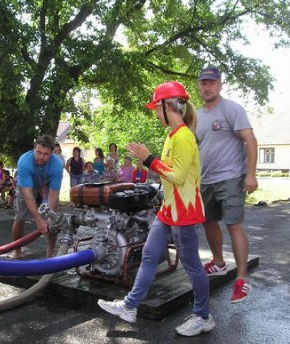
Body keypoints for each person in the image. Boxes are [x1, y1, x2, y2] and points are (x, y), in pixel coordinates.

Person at [98, 81, 215, 337]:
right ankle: (129, 306)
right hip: (168, 210)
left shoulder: (184, 136)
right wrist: (151, 162)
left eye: (155, 107)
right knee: (150, 256)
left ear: (166, 105)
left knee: (192, 265)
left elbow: (179, 176)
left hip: (183, 213)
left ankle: (203, 316)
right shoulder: (172, 136)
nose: (154, 112)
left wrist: (149, 159)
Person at [196, 66, 258, 303]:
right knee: (208, 222)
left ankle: (242, 280)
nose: (207, 86)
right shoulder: (197, 116)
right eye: (203, 82)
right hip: (206, 180)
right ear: (199, 86)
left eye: (212, 82)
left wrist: (250, 175)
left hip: (231, 177)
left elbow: (250, 141)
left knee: (233, 225)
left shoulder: (232, 109)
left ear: (220, 84)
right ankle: (219, 263)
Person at [12, 134, 64, 258]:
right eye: (38, 152)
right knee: (20, 217)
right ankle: (17, 250)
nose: (41, 157)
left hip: (46, 183)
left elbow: (54, 194)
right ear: (35, 148)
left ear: (52, 153)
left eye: (45, 154)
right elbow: (28, 194)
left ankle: (50, 253)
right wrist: (38, 220)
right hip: (26, 186)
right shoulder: (24, 161)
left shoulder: (57, 164)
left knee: (53, 219)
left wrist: (50, 218)